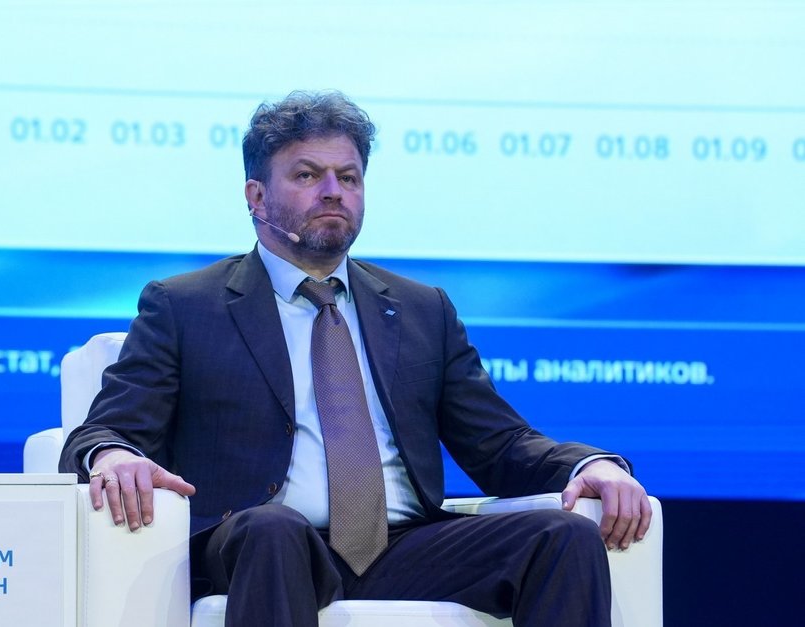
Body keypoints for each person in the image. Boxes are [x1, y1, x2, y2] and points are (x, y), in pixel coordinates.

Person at [60, 90, 652, 627]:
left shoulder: (422, 310)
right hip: (258, 544)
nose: (333, 191)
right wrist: (112, 453)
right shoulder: (186, 306)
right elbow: (107, 429)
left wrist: (588, 465)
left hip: (401, 546)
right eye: (307, 175)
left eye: (348, 177)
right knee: (274, 528)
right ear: (256, 196)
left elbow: (499, 444)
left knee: (561, 537)